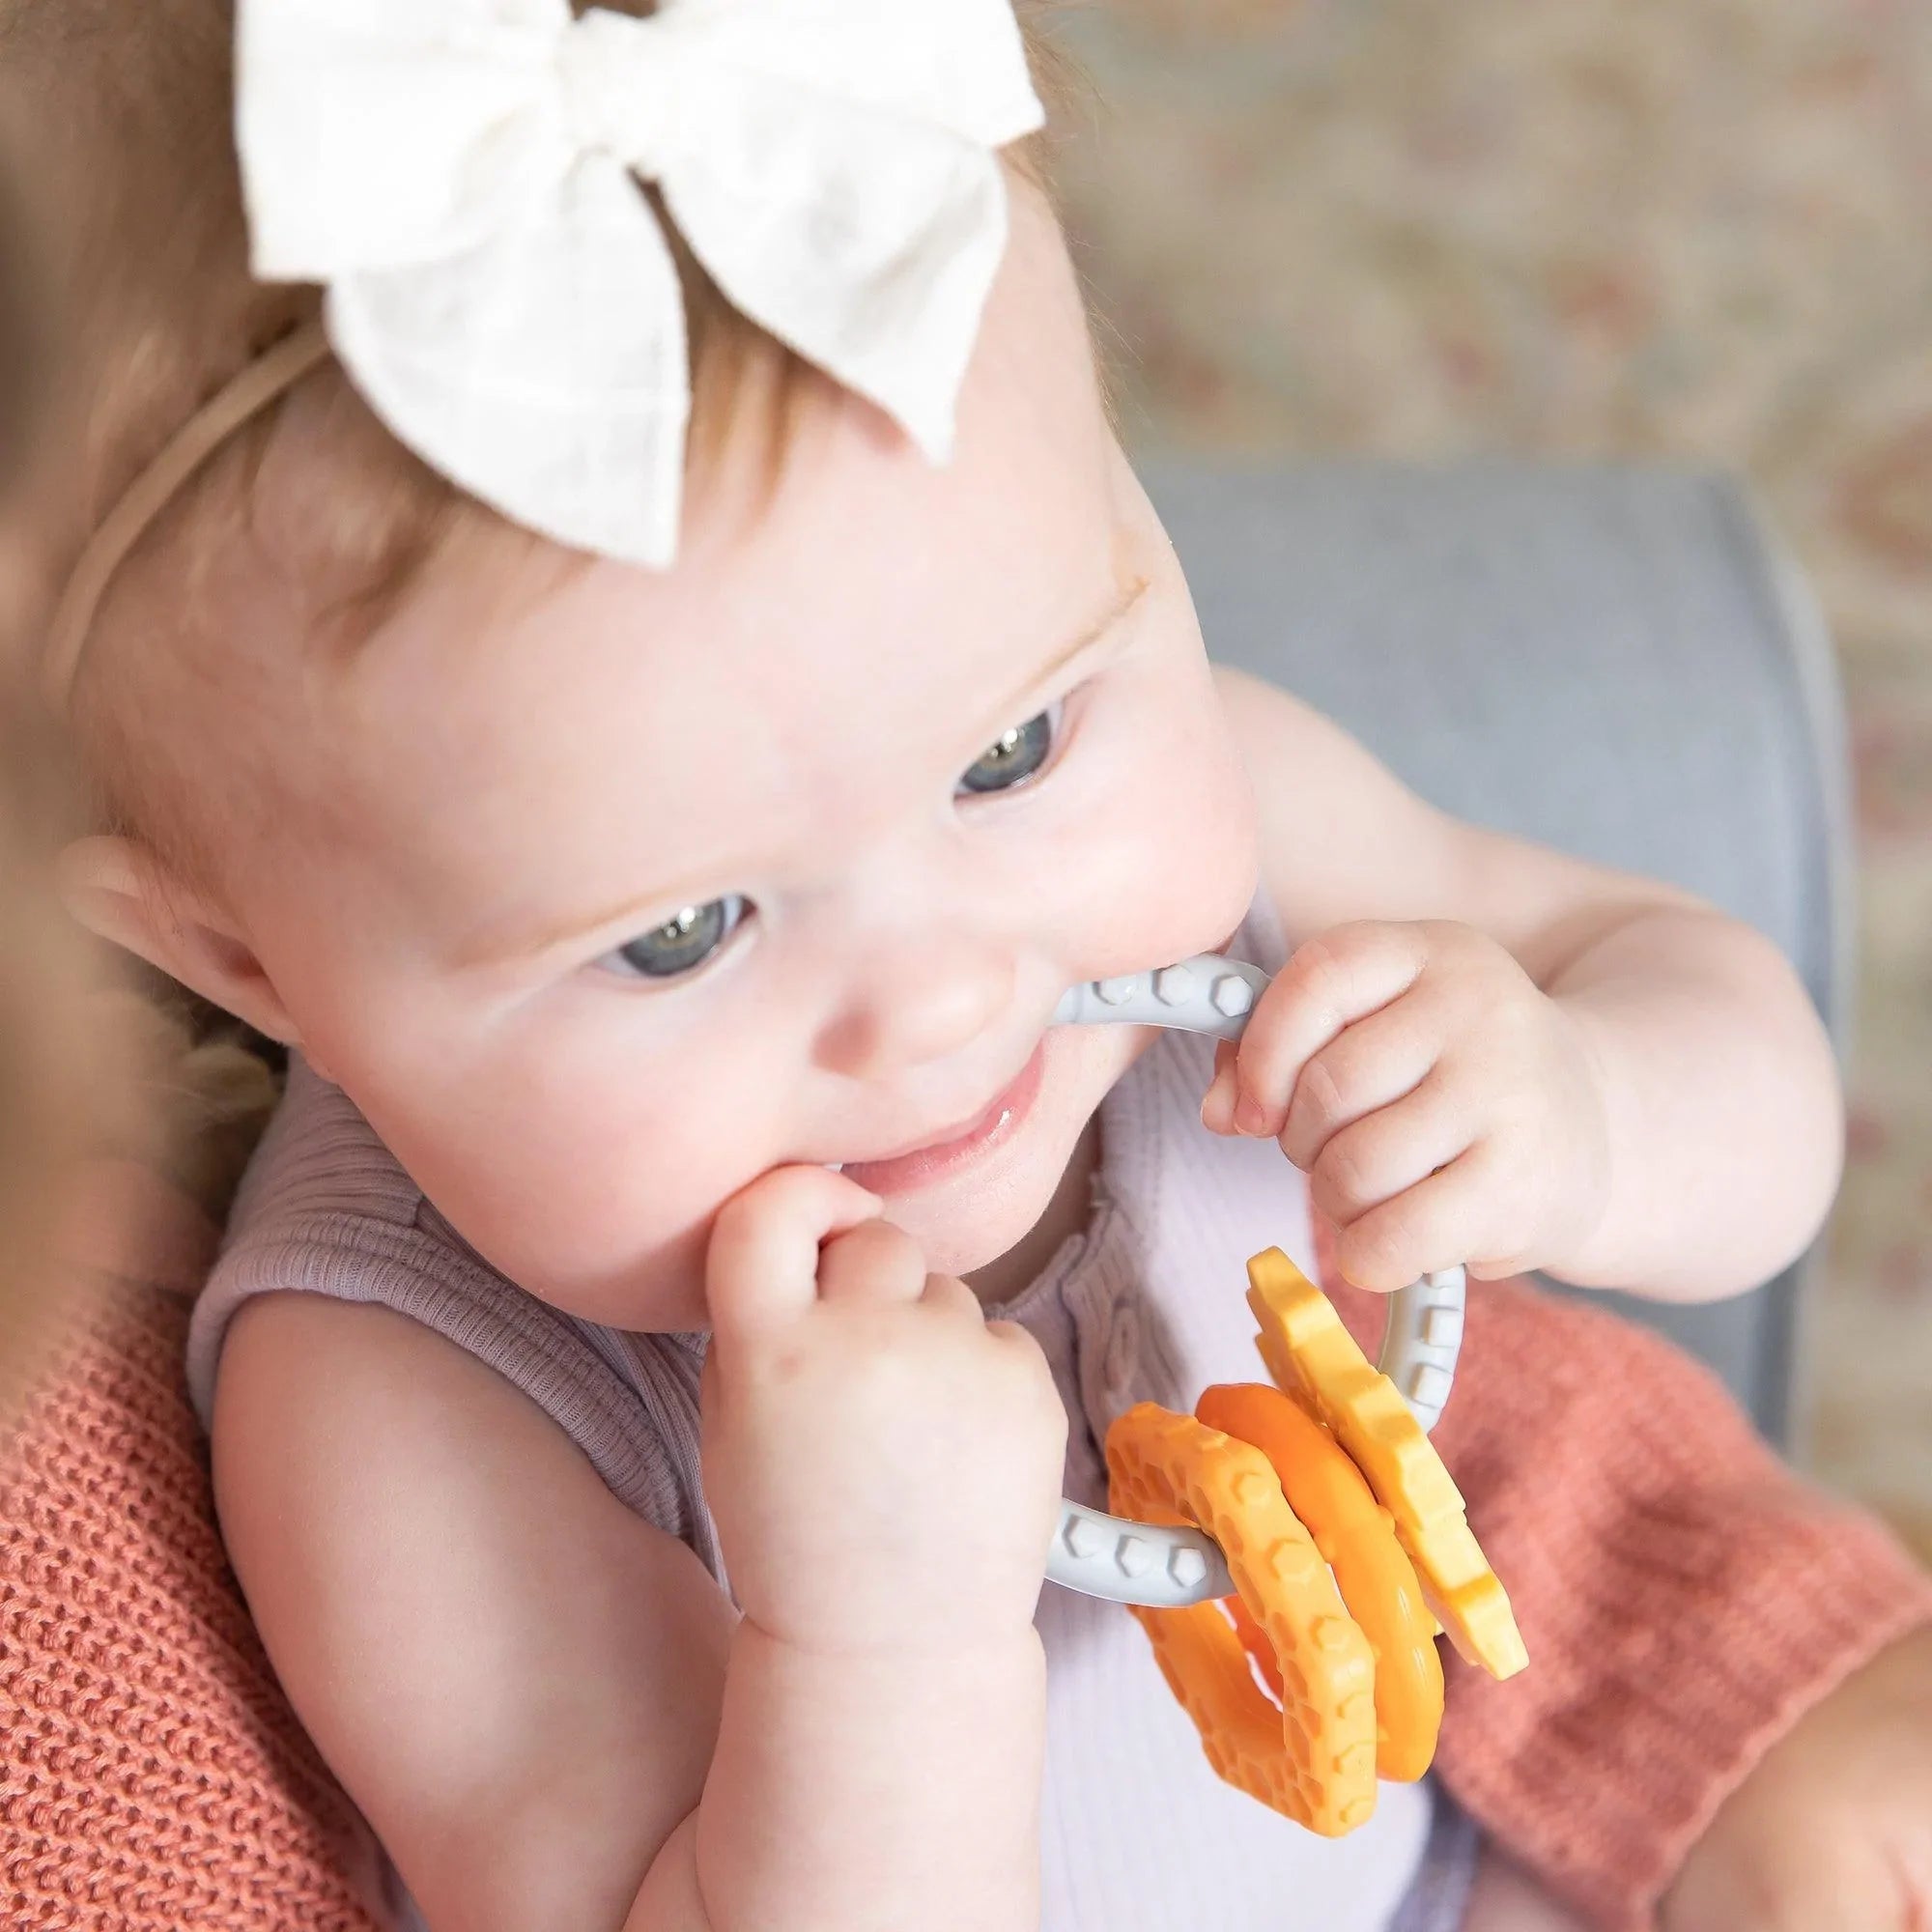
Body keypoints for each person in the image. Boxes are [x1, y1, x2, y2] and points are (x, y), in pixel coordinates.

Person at [14, 0, 1930, 1926]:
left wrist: (1590, 1108)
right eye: (677, 934)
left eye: (1008, 752)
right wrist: (877, 1643)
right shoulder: (401, 1398)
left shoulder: (1238, 829)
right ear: (247, 961)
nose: (941, 1001)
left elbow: (1736, 1084)